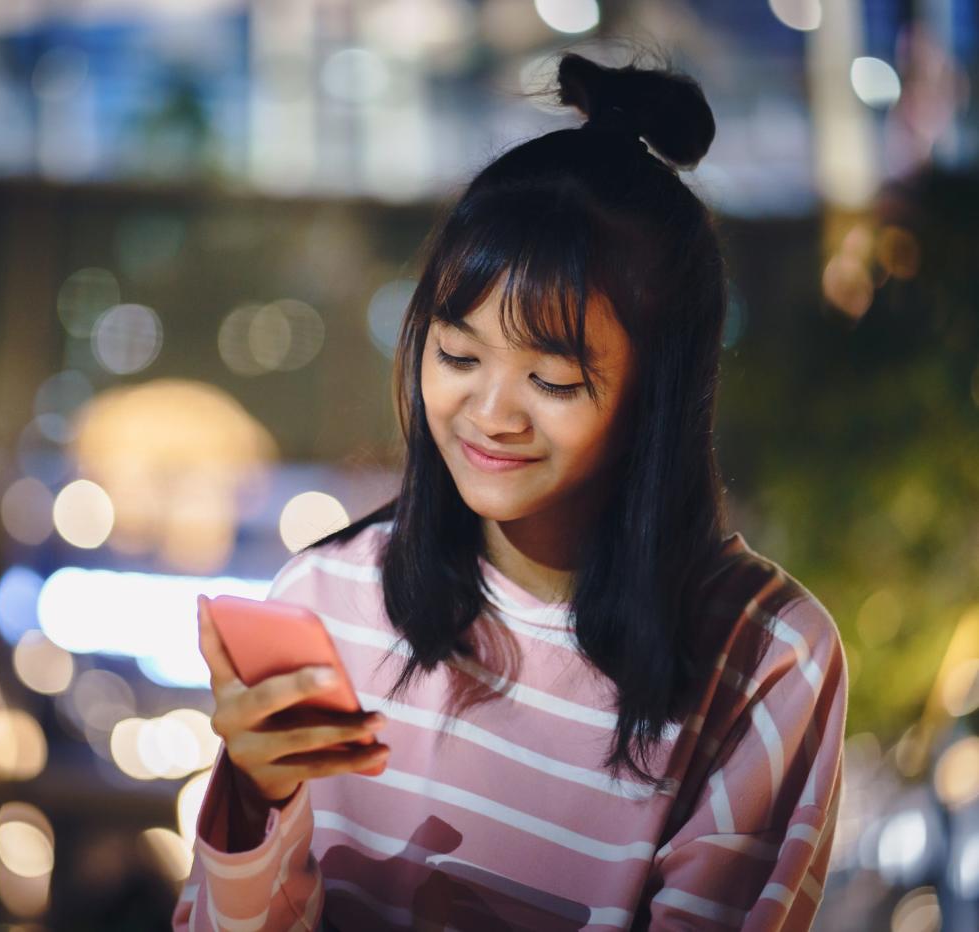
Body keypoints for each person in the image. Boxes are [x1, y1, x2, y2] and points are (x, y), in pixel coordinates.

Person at [172, 49, 848, 932]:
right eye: (457, 356)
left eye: (554, 382)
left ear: (659, 395)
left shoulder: (767, 661)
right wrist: (254, 802)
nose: (490, 414)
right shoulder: (325, 605)